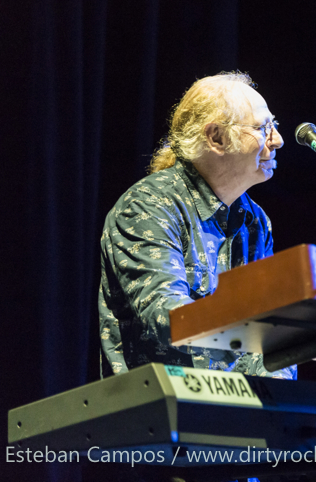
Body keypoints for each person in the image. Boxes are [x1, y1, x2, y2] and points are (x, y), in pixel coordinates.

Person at [98, 71, 295, 379]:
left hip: (236, 411)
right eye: (262, 128)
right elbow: (168, 317)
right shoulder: (148, 205)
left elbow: (264, 342)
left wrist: (279, 406)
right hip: (160, 410)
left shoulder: (254, 221)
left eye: (275, 126)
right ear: (215, 137)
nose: (278, 140)